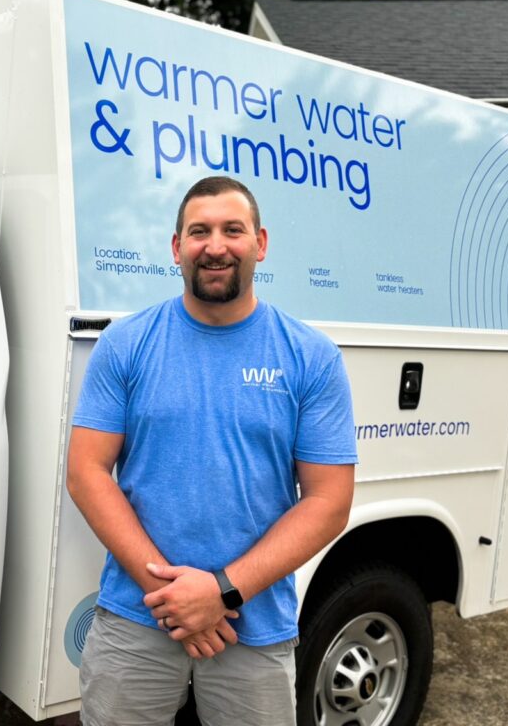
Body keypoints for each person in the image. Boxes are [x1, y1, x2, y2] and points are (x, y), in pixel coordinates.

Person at [67, 176, 357, 726]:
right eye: (199, 231)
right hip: (138, 616)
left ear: (261, 243)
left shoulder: (311, 357)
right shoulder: (126, 344)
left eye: (233, 230)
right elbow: (86, 473)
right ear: (177, 247)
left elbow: (329, 501)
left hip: (252, 622)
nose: (216, 245)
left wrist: (221, 593)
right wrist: (176, 599)